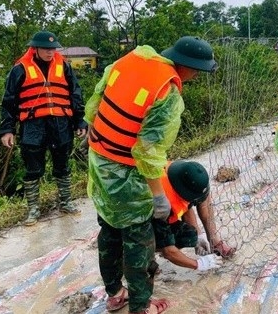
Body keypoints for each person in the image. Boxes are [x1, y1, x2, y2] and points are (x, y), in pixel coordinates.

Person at [85, 36, 217, 314]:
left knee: (109, 231)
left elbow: (97, 95)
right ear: (188, 67)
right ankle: (141, 305)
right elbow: (147, 150)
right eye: (197, 70)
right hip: (125, 172)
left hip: (99, 160)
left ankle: (114, 293)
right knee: (139, 244)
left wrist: (90, 123)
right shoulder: (167, 95)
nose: (195, 76)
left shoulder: (135, 57)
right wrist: (158, 195)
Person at [0, 31, 87, 226]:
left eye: (53, 48)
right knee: (33, 168)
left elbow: (75, 93)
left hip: (60, 123)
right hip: (32, 125)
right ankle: (33, 210)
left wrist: (80, 121)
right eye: (46, 49)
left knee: (62, 165)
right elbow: (8, 102)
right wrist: (7, 130)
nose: (50, 52)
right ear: (35, 48)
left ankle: (65, 202)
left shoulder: (63, 66)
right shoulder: (20, 69)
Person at [151, 161, 235, 274]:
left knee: (191, 233)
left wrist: (200, 236)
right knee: (178, 239)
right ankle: (148, 257)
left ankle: (214, 241)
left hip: (171, 201)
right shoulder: (160, 206)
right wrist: (199, 264)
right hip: (145, 221)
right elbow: (168, 250)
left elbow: (188, 205)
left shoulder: (180, 172)